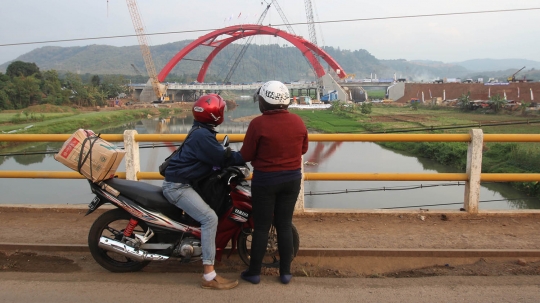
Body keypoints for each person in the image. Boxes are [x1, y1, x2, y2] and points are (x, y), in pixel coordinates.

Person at [162, 94, 245, 290]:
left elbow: (215, 154)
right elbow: (223, 157)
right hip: (178, 187)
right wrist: (247, 155)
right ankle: (209, 275)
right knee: (209, 218)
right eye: (222, 111)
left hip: (182, 183)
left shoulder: (200, 130)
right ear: (215, 115)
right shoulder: (202, 135)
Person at [239, 80, 309, 284]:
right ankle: (285, 273)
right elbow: (303, 149)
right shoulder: (298, 121)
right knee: (284, 225)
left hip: (265, 181)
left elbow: (246, 154)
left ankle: (254, 273)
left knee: (261, 227)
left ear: (264, 102)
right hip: (292, 179)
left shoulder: (257, 123)